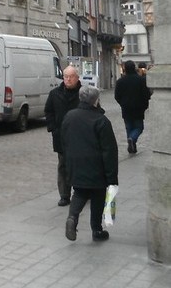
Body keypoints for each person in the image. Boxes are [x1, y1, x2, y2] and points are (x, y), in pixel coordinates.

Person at [61, 85, 119, 242]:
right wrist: (112, 177)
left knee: (79, 192)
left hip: (75, 163)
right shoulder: (101, 120)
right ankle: (97, 229)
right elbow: (109, 151)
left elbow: (64, 140)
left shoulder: (70, 116)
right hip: (96, 166)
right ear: (96, 101)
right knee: (98, 195)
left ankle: (72, 218)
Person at [45, 65, 83, 206]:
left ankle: (81, 193)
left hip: (80, 136)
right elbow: (48, 111)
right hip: (61, 136)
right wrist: (53, 128)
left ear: (77, 78)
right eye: (66, 76)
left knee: (80, 164)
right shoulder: (55, 93)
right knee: (63, 165)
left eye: (71, 77)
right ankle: (64, 195)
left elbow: (95, 109)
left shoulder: (83, 93)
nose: (68, 79)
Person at [115, 60, 151, 154]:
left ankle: (132, 146)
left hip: (126, 108)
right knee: (139, 127)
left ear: (125, 69)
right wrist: (145, 105)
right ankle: (132, 139)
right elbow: (146, 94)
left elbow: (117, 96)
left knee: (129, 127)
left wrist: (122, 103)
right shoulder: (141, 80)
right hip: (138, 108)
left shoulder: (120, 81)